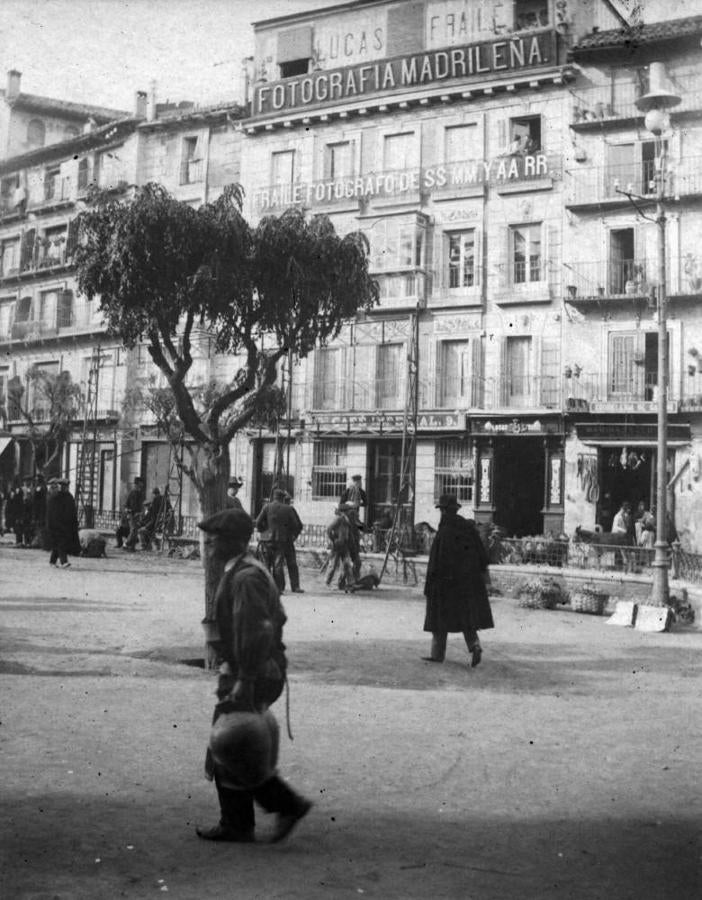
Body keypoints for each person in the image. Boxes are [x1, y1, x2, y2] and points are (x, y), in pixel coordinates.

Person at [195, 508, 312, 843]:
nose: (211, 544)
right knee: (234, 743)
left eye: (216, 538)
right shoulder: (241, 570)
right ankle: (240, 821)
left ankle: (282, 807)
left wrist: (244, 678)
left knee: (231, 741)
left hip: (254, 670)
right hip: (252, 668)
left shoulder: (246, 578)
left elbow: (254, 631)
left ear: (235, 541)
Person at [422, 493, 494, 668]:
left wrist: (430, 584)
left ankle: (437, 654)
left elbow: (436, 561)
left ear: (445, 511)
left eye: (442, 510)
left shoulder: (444, 531)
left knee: (440, 618)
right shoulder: (467, 528)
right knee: (466, 618)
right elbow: (482, 554)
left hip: (445, 583)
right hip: (467, 583)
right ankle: (475, 646)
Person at [255, 489, 304, 594]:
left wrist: (264, 530)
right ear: (283, 498)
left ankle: (268, 587)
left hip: (267, 540)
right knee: (281, 564)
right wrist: (292, 535)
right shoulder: (289, 509)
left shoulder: (267, 507)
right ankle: (283, 588)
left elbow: (258, 522)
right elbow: (297, 525)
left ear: (273, 497)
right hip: (284, 540)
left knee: (266, 564)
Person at [325, 503, 361, 590]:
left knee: (347, 564)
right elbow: (329, 529)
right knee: (333, 565)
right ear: (344, 512)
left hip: (344, 545)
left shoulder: (347, 520)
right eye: (348, 510)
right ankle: (328, 582)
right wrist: (333, 540)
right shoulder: (339, 519)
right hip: (337, 546)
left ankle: (351, 583)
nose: (350, 512)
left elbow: (349, 533)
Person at [46, 477, 80, 568]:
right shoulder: (56, 497)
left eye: (66, 486)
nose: (65, 488)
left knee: (59, 544)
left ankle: (52, 562)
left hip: (66, 524)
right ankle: (63, 561)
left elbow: (72, 511)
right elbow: (55, 513)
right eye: (63, 486)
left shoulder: (68, 496)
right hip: (57, 524)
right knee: (61, 543)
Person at [123, 476, 146, 551]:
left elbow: (140, 505)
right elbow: (126, 504)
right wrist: (128, 511)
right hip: (131, 514)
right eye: (141, 483)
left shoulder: (140, 493)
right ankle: (126, 543)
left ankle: (132, 547)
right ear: (138, 484)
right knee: (133, 529)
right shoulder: (132, 493)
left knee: (135, 531)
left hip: (137, 514)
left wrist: (140, 512)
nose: (142, 484)